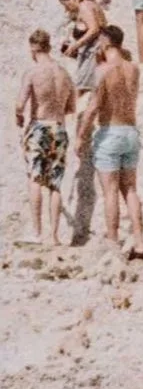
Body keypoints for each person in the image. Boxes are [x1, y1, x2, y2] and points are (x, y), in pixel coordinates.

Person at [86, 25, 143, 259]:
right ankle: (140, 244)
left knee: (110, 191)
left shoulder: (103, 70)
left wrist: (82, 134)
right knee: (130, 189)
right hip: (131, 131)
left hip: (110, 131)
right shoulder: (133, 69)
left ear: (104, 41)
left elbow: (94, 106)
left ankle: (113, 243)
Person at [15, 30, 75, 243]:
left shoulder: (32, 72)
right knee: (55, 183)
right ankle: (54, 235)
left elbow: (21, 104)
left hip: (39, 126)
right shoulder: (64, 73)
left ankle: (37, 232)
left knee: (35, 178)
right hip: (59, 128)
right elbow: (71, 107)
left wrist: (19, 117)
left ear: (33, 47)